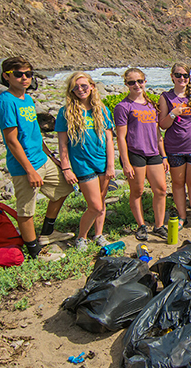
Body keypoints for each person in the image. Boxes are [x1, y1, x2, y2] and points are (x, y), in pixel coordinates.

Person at [0, 57, 74, 258]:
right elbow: (12, 141)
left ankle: (47, 233)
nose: (24, 78)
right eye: (18, 74)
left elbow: (35, 134)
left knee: (64, 188)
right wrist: (29, 170)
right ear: (6, 76)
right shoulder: (5, 101)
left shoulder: (27, 99)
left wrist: (52, 157)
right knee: (26, 210)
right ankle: (34, 252)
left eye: (28, 74)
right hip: (25, 165)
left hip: (42, 159)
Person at [56, 72, 115, 251]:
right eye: (76, 86)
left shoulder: (102, 110)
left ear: (92, 86)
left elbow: (109, 140)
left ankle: (98, 234)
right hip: (82, 164)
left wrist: (111, 165)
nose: (80, 89)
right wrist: (66, 168)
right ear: (71, 90)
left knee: (102, 201)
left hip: (102, 162)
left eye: (84, 85)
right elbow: (62, 143)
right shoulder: (66, 112)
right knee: (95, 205)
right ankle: (81, 237)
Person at [114, 68, 168, 241]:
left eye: (139, 81)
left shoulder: (152, 104)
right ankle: (141, 225)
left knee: (161, 190)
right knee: (136, 191)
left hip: (153, 153)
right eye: (131, 82)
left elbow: (158, 132)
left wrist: (164, 155)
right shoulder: (123, 107)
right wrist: (126, 162)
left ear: (145, 81)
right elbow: (121, 137)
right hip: (135, 153)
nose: (136, 85)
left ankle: (159, 225)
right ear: (126, 84)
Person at [159, 63, 191, 232]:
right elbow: (163, 125)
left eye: (185, 75)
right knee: (178, 183)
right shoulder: (165, 97)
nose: (182, 78)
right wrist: (174, 113)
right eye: (178, 75)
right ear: (172, 76)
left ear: (189, 78)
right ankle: (182, 217)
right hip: (175, 147)